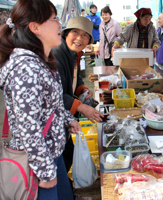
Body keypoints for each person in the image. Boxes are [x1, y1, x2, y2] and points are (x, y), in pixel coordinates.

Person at [0, 0, 81, 199]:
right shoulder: (25, 69)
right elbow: (29, 127)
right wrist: (45, 171)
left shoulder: (40, 61)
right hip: (35, 164)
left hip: (52, 155)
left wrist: (66, 117)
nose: (59, 24)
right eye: (54, 18)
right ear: (35, 27)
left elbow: (51, 104)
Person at [52, 16, 103, 176]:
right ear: (65, 33)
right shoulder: (57, 55)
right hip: (53, 119)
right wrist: (81, 107)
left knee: (67, 154)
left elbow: (75, 77)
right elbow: (55, 94)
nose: (80, 38)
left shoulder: (74, 54)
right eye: (75, 32)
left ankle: (68, 191)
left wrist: (82, 89)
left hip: (65, 116)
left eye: (85, 35)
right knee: (61, 159)